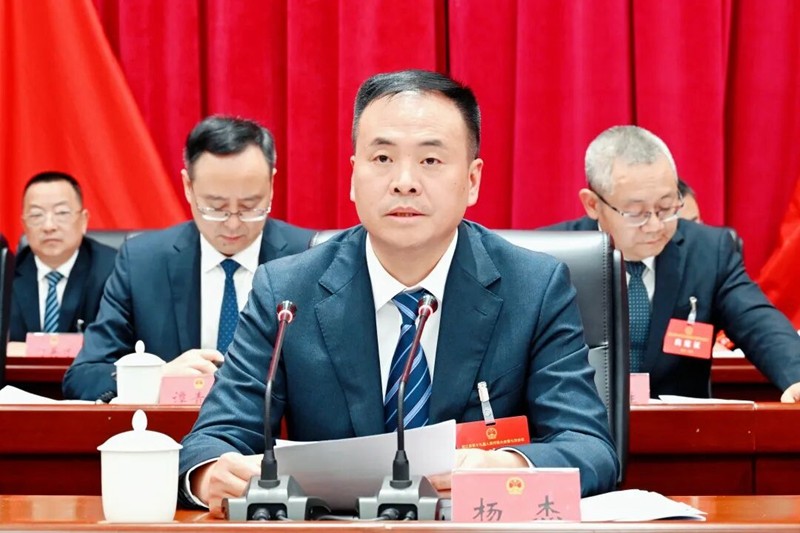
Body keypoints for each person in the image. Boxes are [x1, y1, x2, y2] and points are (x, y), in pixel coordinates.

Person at [179, 70, 618, 515]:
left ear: (472, 180)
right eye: (383, 158)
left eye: (430, 160)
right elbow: (212, 440)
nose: (404, 181)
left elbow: (589, 447)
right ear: (354, 177)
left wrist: (502, 465)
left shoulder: (534, 288)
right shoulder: (287, 292)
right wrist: (211, 474)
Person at [62, 116, 315, 400]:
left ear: (271, 184)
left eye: (250, 206)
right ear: (188, 186)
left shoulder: (309, 257)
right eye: (215, 208)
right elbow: (83, 376)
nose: (233, 224)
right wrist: (156, 378)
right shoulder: (142, 263)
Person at [546, 125, 800, 401]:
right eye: (636, 213)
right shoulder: (551, 257)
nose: (655, 225)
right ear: (593, 204)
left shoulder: (709, 252)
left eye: (666, 207)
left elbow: (758, 323)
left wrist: (797, 376)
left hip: (678, 424)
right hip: (576, 422)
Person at [10, 172, 116, 341]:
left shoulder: (112, 271)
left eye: (61, 213)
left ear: (83, 220)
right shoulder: (7, 274)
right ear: (24, 225)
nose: (49, 226)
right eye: (36, 215)